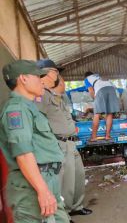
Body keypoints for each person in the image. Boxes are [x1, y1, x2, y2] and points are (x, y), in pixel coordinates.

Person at [0, 60, 69, 223]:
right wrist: (43, 191)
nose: (41, 81)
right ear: (23, 79)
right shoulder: (16, 109)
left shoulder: (29, 107)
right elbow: (23, 154)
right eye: (37, 77)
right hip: (32, 188)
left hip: (45, 181)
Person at [36, 59, 92, 217]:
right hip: (59, 143)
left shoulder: (55, 96)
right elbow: (39, 122)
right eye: (55, 71)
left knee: (78, 177)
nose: (58, 75)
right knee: (65, 182)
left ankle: (77, 206)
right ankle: (65, 213)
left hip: (71, 143)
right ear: (46, 72)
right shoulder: (41, 95)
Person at [84, 71, 120, 141]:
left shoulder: (87, 79)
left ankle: (94, 137)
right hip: (112, 89)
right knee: (109, 113)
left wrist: (95, 100)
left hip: (101, 90)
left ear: (86, 76)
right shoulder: (99, 76)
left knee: (96, 114)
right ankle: (107, 136)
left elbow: (91, 91)